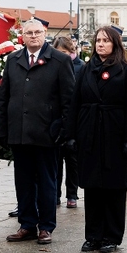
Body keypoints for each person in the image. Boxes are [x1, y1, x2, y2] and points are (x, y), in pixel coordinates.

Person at [0, 19, 74, 245]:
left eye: (37, 32)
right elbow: (5, 97)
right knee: (23, 181)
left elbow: (68, 99)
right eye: (29, 33)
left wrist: (64, 129)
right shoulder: (13, 60)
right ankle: (27, 224)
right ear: (22, 35)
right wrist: (3, 129)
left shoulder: (59, 60)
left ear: (45, 33)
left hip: (47, 133)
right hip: (20, 132)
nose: (33, 36)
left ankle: (46, 226)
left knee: (47, 181)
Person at [67, 26, 127, 253]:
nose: (100, 44)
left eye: (106, 41)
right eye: (98, 40)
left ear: (115, 44)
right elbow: (75, 104)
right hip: (89, 131)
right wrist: (71, 134)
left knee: (114, 187)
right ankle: (93, 235)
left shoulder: (126, 70)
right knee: (92, 187)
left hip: (114, 133)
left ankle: (112, 236)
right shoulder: (86, 69)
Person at [51, 36, 82, 205]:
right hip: (56, 119)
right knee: (56, 161)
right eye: (58, 52)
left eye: (64, 52)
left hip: (74, 119)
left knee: (72, 161)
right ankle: (55, 194)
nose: (61, 55)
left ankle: (72, 194)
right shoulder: (51, 65)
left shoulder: (80, 66)